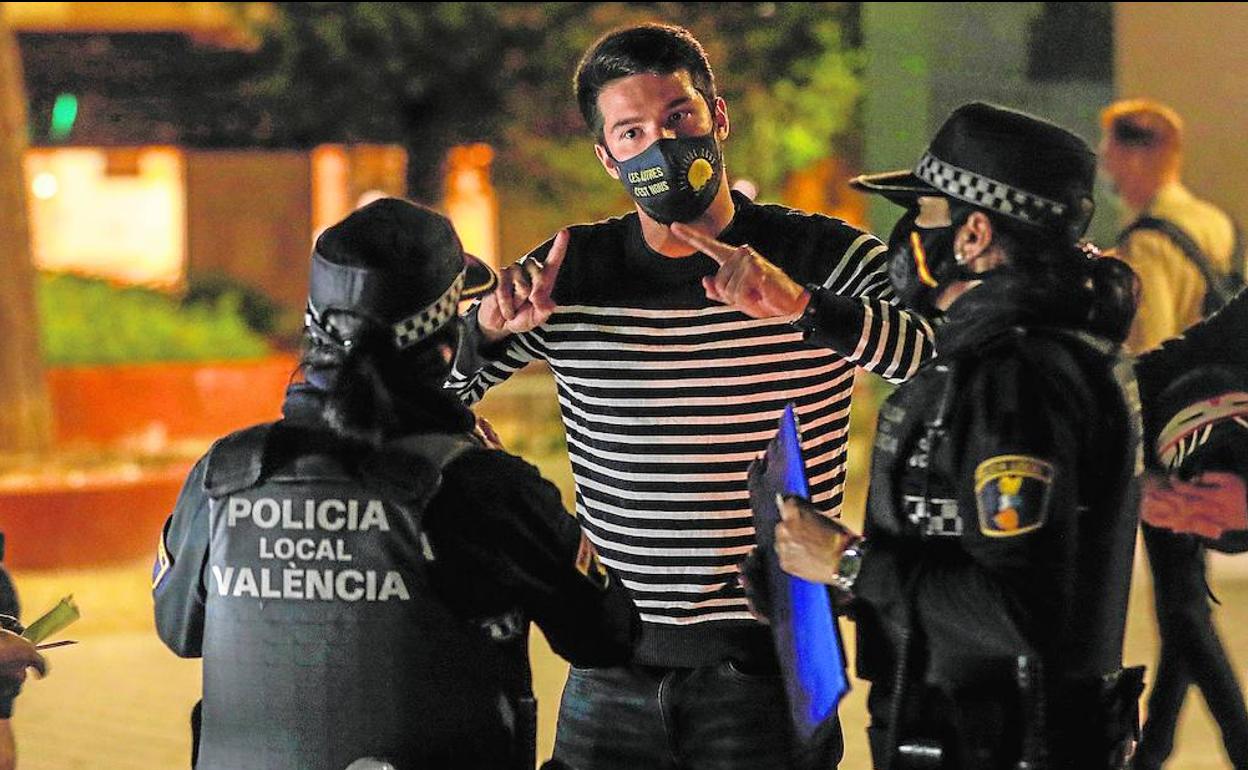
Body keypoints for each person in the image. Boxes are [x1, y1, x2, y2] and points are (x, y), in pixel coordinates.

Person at [448, 22, 935, 769]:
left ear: (718, 116)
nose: (662, 147)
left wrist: (806, 307)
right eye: (633, 131)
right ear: (608, 157)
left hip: (766, 667)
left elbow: (939, 364)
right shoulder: (569, 272)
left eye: (679, 118)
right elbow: (432, 404)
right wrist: (481, 333)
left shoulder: (824, 256)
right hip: (609, 667)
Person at [153, 198, 639, 770]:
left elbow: (178, 631)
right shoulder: (483, 487)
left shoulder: (228, 474)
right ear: (445, 345)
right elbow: (606, 636)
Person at [751, 102, 1144, 769]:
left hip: (1001, 741)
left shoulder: (1018, 378)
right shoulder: (1013, 357)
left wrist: (849, 561)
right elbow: (961, 559)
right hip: (980, 730)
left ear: (973, 234)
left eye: (924, 214)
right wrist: (832, 584)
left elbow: (1021, 610)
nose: (906, 234)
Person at [1101, 98, 1248, 770]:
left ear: (1139, 155)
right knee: (1182, 608)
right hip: (1225, 437)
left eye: (1111, 148)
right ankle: (1157, 749)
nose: (1105, 163)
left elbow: (1150, 355)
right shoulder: (1213, 223)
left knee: (1184, 609)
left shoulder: (1146, 245)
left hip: (1174, 447)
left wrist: (1130, 459)